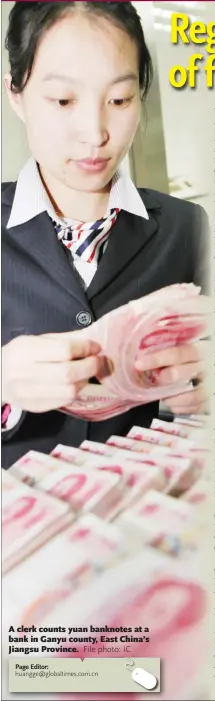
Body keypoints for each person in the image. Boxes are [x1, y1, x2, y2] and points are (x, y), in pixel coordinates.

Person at [2, 1, 209, 469]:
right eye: (63, 101)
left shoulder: (186, 227)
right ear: (15, 93)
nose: (94, 134)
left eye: (119, 100)